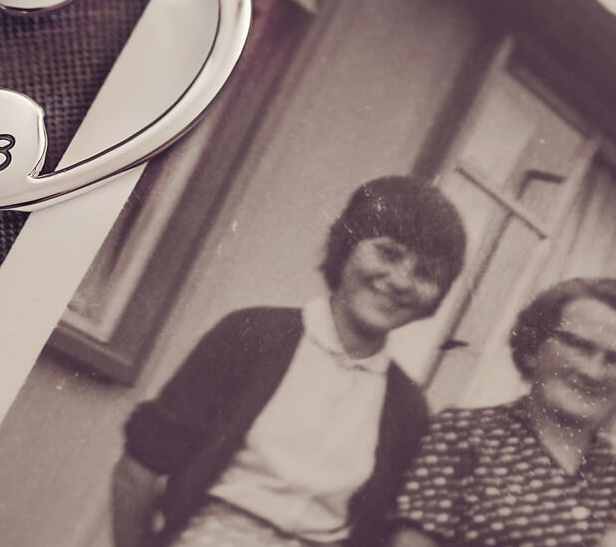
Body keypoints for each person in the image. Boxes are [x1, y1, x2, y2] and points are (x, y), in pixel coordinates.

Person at [112, 174, 468, 547]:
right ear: (347, 245)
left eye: (425, 273)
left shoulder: (407, 408)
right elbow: (138, 470)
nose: (400, 280)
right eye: (388, 253)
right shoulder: (248, 337)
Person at [391, 277, 616, 547]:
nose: (593, 372)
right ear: (534, 348)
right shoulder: (463, 434)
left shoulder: (609, 468)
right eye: (578, 346)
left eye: (614, 359)